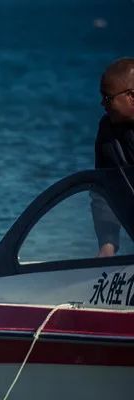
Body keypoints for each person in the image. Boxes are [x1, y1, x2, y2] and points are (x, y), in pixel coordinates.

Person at [92, 57, 134, 257]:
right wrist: (107, 246)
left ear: (131, 96)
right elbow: (103, 191)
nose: (102, 104)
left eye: (107, 98)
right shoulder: (107, 131)